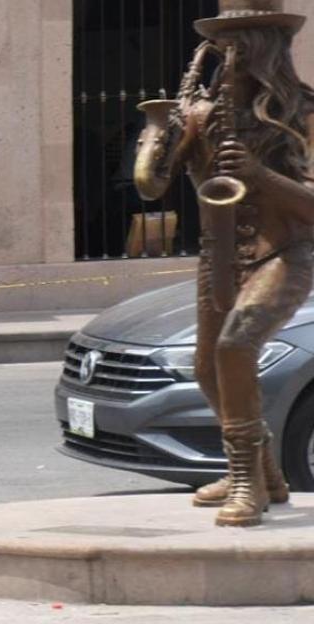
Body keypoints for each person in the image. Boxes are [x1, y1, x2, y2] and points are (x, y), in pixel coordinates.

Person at [133, 0, 314, 526]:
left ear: (266, 50)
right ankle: (268, 474)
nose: (225, 57)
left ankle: (246, 484)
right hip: (219, 256)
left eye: (238, 45)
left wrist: (261, 176)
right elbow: (151, 185)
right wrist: (161, 132)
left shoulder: (302, 112)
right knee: (207, 370)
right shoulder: (202, 112)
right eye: (220, 46)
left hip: (283, 253)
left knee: (236, 347)